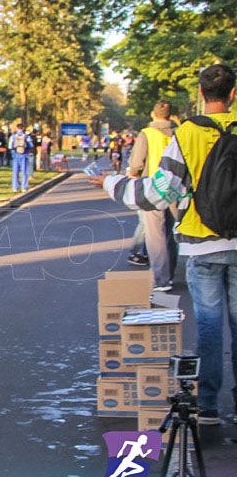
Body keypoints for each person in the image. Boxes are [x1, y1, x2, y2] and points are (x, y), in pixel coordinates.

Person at [89, 64, 237, 425]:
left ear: (201, 95)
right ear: (233, 94)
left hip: (201, 246)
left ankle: (210, 408)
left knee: (209, 326)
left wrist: (111, 183)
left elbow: (156, 194)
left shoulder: (186, 136)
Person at [128, 101, 179, 291]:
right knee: (172, 232)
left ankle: (161, 279)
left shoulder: (147, 133)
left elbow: (137, 163)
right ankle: (171, 274)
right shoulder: (179, 133)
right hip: (175, 186)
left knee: (155, 233)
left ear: (153, 114)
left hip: (153, 186)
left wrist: (133, 174)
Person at [9, 123, 33, 192]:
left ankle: (15, 187)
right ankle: (24, 187)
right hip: (24, 155)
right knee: (24, 171)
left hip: (15, 155)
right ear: (23, 128)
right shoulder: (26, 136)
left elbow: (10, 146)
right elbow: (31, 145)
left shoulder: (13, 136)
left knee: (15, 171)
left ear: (16, 128)